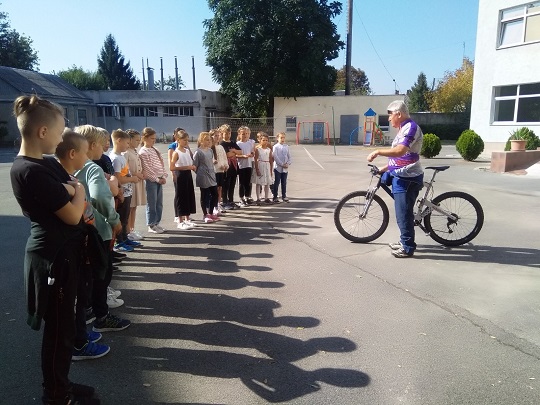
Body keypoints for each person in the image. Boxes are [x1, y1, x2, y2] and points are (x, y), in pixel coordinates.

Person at [10, 95, 98, 404]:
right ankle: (56, 393)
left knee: (65, 327)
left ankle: (62, 384)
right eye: (59, 132)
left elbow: (72, 185)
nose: (62, 139)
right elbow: (75, 211)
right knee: (59, 331)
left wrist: (75, 190)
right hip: (52, 258)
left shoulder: (44, 164)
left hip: (63, 253)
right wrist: (79, 191)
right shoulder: (29, 170)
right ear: (43, 132)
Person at [55, 131, 112, 363]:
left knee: (81, 295)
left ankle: (80, 334)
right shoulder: (69, 180)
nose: (87, 157)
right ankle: (78, 343)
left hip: (77, 246)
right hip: (74, 247)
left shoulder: (65, 177)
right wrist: (79, 190)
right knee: (76, 297)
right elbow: (84, 210)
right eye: (84, 153)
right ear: (73, 153)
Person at [74, 125, 131, 323]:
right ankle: (101, 316)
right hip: (99, 228)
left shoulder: (72, 166)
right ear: (91, 145)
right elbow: (100, 197)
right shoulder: (92, 167)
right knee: (102, 273)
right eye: (101, 144)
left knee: (87, 274)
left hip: (80, 228)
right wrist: (114, 220)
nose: (104, 148)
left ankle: (89, 310)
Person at [367, 100, 424, 258]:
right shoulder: (403, 129)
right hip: (401, 174)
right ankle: (403, 240)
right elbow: (400, 158)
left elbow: (400, 151)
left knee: (403, 213)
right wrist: (383, 168)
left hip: (408, 177)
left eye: (390, 114)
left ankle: (407, 247)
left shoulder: (411, 127)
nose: (389, 118)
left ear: (399, 114)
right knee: (401, 211)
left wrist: (378, 151)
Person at [109, 129, 141, 251]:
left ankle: (125, 237)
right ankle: (119, 241)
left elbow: (124, 174)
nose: (128, 145)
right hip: (122, 193)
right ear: (119, 140)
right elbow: (118, 179)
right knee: (121, 218)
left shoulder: (121, 157)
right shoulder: (115, 158)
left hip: (127, 192)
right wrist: (132, 178)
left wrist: (129, 177)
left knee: (125, 217)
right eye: (127, 143)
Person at [139, 127, 168, 234]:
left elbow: (161, 164)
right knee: (151, 203)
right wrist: (156, 179)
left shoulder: (155, 150)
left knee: (159, 203)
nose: (154, 140)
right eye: (151, 138)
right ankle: (151, 224)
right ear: (144, 138)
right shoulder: (143, 152)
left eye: (155, 138)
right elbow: (147, 169)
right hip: (152, 181)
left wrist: (164, 176)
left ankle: (157, 223)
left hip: (160, 179)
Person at [169, 130, 197, 229]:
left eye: (187, 140)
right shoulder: (176, 153)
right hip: (180, 175)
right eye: (184, 140)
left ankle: (187, 218)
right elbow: (172, 167)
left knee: (189, 195)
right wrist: (185, 167)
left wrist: (192, 167)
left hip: (188, 175)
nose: (186, 142)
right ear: (178, 140)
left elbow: (190, 163)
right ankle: (180, 221)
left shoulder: (187, 151)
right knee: (181, 197)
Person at [124, 129, 146, 241]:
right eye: (137, 140)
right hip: (130, 183)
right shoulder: (126, 152)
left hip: (137, 182)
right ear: (130, 139)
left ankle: (132, 229)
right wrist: (135, 173)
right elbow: (124, 170)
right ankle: (128, 230)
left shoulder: (135, 151)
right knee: (129, 207)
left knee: (134, 207)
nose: (138, 142)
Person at [193, 132, 219, 223]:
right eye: (207, 140)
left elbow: (210, 162)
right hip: (203, 176)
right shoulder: (198, 152)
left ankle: (211, 212)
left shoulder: (210, 151)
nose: (209, 142)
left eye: (209, 140)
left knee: (215, 194)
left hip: (211, 175)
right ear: (201, 141)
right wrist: (200, 173)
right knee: (204, 195)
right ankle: (205, 214)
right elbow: (195, 165)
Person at [219, 124, 242, 210]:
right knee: (226, 185)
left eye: (229, 133)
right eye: (225, 133)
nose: (227, 135)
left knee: (232, 185)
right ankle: (225, 201)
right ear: (222, 133)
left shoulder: (232, 143)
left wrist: (234, 151)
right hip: (226, 168)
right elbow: (227, 154)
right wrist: (234, 153)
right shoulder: (222, 144)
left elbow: (240, 152)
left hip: (234, 167)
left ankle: (231, 200)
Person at [167, 127, 185, 223]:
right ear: (175, 136)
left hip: (185, 173)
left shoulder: (185, 146)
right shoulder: (172, 146)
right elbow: (171, 161)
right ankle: (177, 214)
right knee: (178, 194)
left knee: (184, 194)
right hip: (177, 172)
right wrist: (172, 173)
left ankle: (184, 213)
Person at [211, 128, 228, 215]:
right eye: (215, 136)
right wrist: (218, 165)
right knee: (215, 189)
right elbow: (212, 160)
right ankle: (214, 206)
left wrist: (226, 166)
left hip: (221, 171)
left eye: (218, 135)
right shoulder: (211, 147)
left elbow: (224, 158)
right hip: (215, 171)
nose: (217, 137)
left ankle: (218, 204)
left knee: (220, 188)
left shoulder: (221, 147)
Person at [236, 126, 255, 206]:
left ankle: (248, 196)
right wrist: (243, 156)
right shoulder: (238, 144)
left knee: (248, 182)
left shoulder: (251, 142)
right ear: (239, 134)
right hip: (241, 165)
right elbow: (236, 155)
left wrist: (252, 154)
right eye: (243, 134)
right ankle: (241, 197)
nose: (245, 135)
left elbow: (253, 151)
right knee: (242, 182)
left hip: (249, 164)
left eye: (247, 133)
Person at [254, 132, 274, 203]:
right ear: (260, 140)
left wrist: (271, 170)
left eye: (266, 140)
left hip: (267, 166)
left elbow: (271, 160)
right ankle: (258, 198)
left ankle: (266, 198)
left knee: (267, 183)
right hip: (260, 165)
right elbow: (256, 160)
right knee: (259, 182)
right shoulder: (258, 149)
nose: (265, 142)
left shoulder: (269, 150)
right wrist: (257, 169)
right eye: (263, 140)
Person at [272, 132, 292, 203]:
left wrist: (288, 163)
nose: (282, 139)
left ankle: (284, 196)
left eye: (284, 137)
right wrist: (281, 164)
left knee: (284, 182)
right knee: (277, 182)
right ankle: (275, 197)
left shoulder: (286, 146)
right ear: (278, 138)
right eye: (281, 137)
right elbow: (275, 157)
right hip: (278, 168)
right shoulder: (275, 147)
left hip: (285, 168)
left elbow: (289, 156)